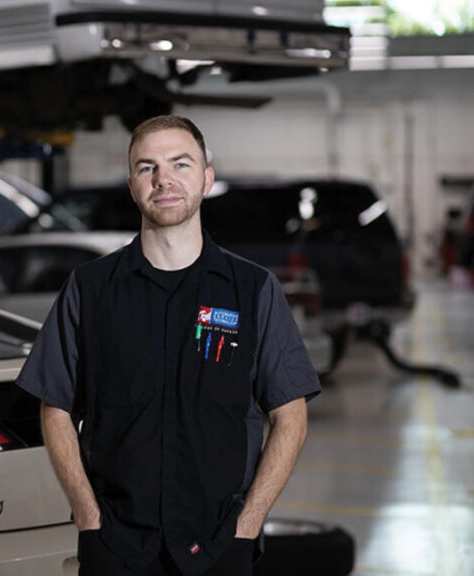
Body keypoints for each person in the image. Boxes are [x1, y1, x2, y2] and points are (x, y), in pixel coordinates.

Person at [16, 115, 319, 576]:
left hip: (220, 545)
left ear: (206, 179)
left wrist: (249, 522)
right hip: (117, 546)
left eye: (180, 163)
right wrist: (87, 514)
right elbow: (56, 406)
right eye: (147, 167)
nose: (164, 180)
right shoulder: (90, 289)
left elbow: (290, 414)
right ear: (133, 185)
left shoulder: (252, 289)